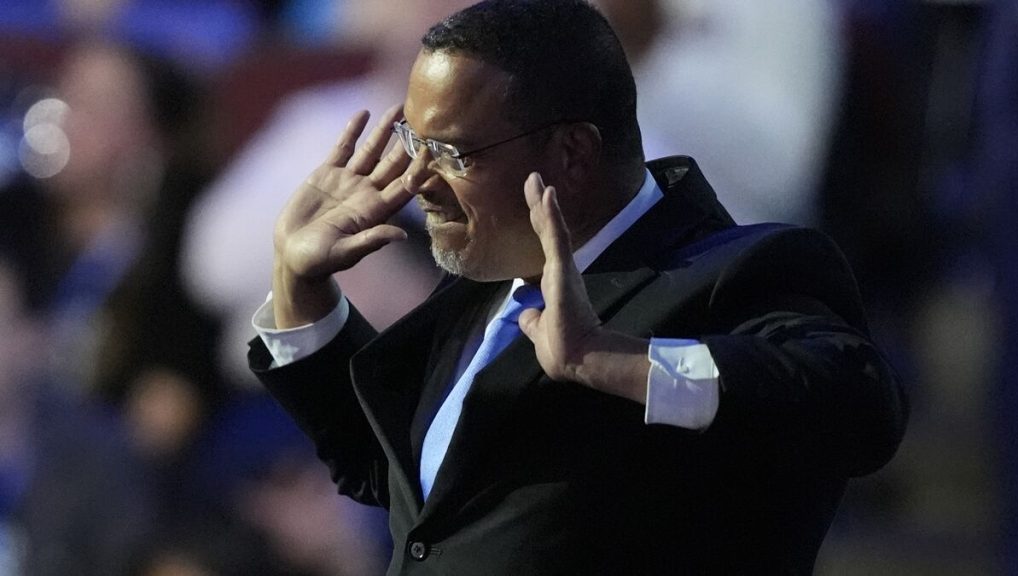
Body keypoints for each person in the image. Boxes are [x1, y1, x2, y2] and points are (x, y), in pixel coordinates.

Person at [248, 1, 908, 573]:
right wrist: (301, 287)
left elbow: (860, 410)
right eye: (410, 142)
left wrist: (613, 360)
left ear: (573, 153)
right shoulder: (484, 290)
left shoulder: (738, 271)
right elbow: (412, 491)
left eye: (451, 154)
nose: (417, 182)